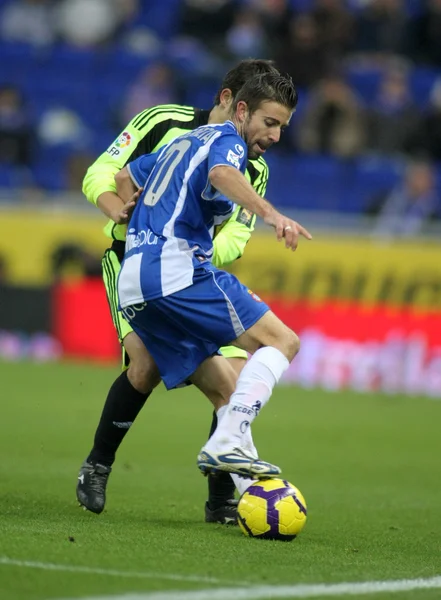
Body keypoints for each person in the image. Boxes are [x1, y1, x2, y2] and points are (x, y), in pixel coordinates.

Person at [77, 59, 278, 523]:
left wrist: (185, 243)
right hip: (132, 261)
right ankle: (98, 464)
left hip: (193, 273)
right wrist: (121, 212)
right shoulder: (164, 121)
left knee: (234, 377)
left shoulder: (253, 166)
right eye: (264, 120)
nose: (265, 136)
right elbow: (103, 173)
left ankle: (221, 500)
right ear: (230, 101)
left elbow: (236, 238)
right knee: (144, 367)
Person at [116, 71, 311, 483]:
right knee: (283, 341)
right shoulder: (227, 142)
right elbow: (223, 175)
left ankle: (250, 489)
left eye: (282, 127)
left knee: (227, 388)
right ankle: (228, 441)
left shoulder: (186, 142)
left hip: (135, 282)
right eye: (270, 123)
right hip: (176, 271)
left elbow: (126, 176)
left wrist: (132, 207)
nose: (275, 136)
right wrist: (272, 214)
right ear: (241, 110)